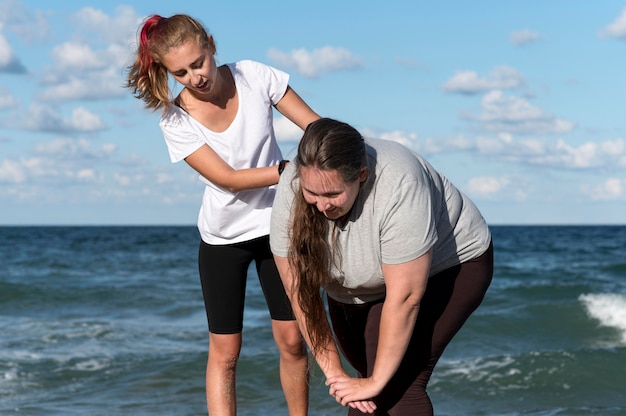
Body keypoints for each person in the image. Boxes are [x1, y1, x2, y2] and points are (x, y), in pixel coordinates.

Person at [125, 14, 320, 415]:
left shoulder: (254, 76)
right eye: (180, 72)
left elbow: (314, 127)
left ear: (211, 45)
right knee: (226, 350)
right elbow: (229, 179)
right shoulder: (175, 118)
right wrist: (289, 170)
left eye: (198, 63)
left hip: (278, 228)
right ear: (167, 71)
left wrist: (341, 151)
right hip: (223, 239)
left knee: (292, 340)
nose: (195, 76)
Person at [270, 118, 494, 415]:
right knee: (361, 391)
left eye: (333, 195)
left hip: (446, 269)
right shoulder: (293, 184)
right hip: (355, 288)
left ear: (361, 175)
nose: (322, 206)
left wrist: (377, 382)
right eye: (313, 194)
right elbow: (300, 292)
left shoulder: (400, 182)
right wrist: (333, 371)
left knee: (393, 389)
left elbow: (405, 297)